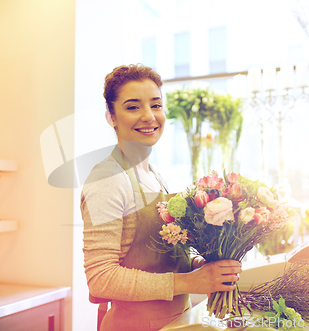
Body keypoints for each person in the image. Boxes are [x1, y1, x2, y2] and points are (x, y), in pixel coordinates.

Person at [81, 64, 242, 331]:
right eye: (133, 107)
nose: (149, 116)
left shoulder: (154, 175)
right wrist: (189, 282)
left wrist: (198, 265)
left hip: (177, 322)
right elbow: (101, 278)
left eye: (156, 105)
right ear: (111, 116)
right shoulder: (107, 179)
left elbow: (160, 257)